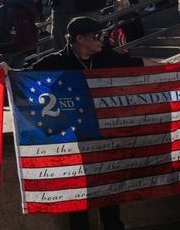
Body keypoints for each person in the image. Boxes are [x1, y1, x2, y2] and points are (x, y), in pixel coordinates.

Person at [25, 16, 158, 230]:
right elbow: (25, 79)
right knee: (78, 191)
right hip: (74, 140)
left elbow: (134, 65)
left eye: (103, 34)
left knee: (109, 190)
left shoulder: (105, 56)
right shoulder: (56, 62)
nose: (102, 39)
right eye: (97, 36)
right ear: (80, 39)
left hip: (105, 137)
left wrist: (171, 70)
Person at [0, 0, 38, 68]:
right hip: (23, 46)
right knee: (16, 74)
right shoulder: (26, 5)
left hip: (7, 47)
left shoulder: (3, 8)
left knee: (2, 75)